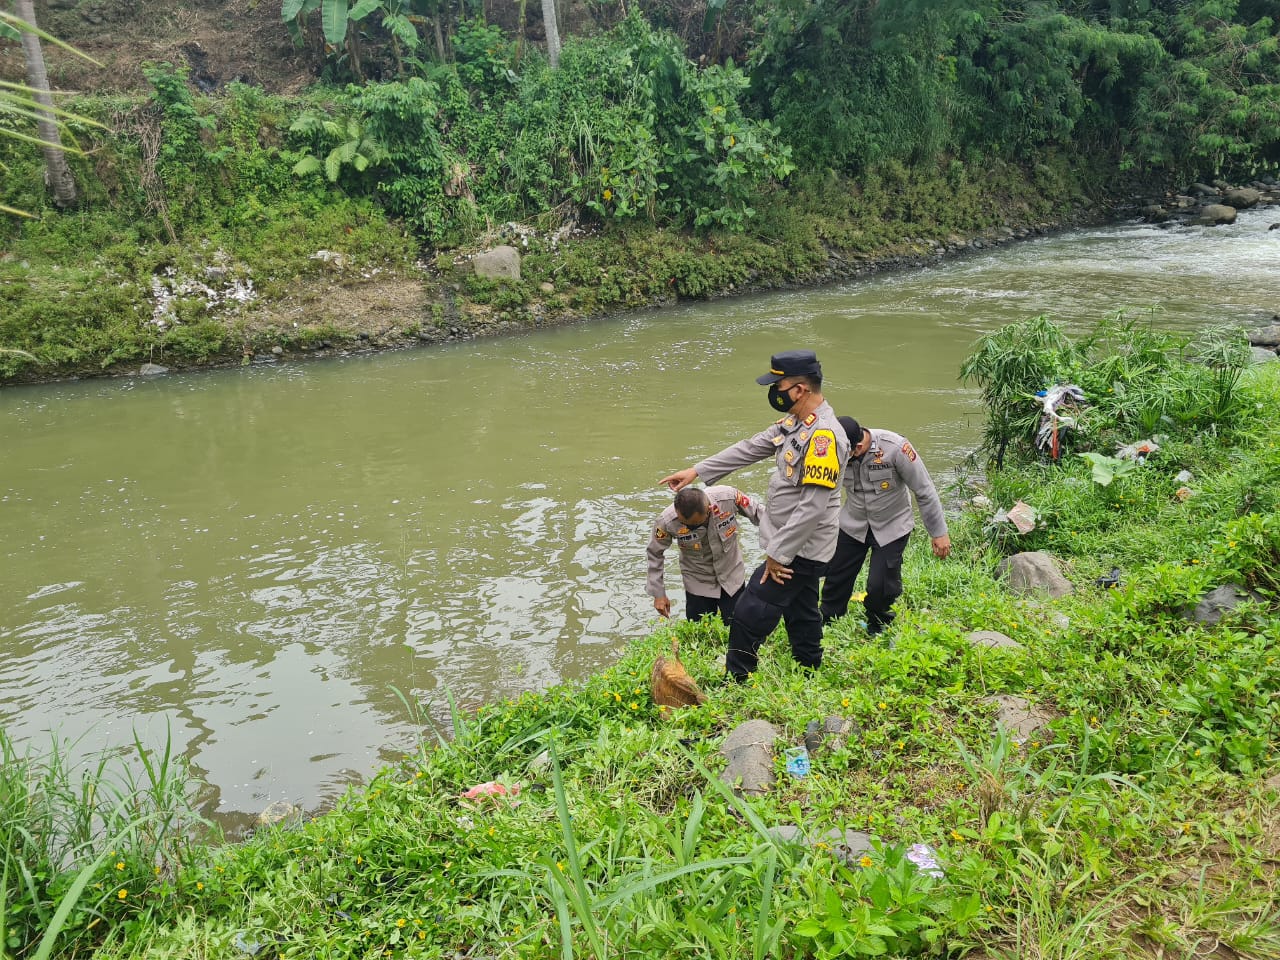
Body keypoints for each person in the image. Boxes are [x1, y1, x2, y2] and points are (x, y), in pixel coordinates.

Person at [660, 350, 848, 681]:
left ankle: (737, 679)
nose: (774, 391)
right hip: (796, 546)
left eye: (779, 385)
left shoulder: (824, 437)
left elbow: (812, 508)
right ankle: (810, 667)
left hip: (799, 548)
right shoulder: (795, 424)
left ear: (800, 389)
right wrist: (697, 471)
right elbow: (750, 448)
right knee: (801, 608)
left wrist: (778, 556)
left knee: (749, 612)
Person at [820, 416, 951, 636]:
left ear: (858, 446)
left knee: (881, 585)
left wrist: (939, 533)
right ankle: (828, 620)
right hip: (854, 522)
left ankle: (878, 624)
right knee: (836, 576)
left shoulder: (895, 448)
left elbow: (924, 490)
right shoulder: (832, 450)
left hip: (892, 524)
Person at [646, 485, 761, 623]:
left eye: (694, 525)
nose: (689, 528)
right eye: (685, 524)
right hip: (697, 582)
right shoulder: (666, 521)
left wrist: (781, 550)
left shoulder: (728, 497)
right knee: (699, 631)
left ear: (709, 510)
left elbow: (761, 515)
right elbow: (654, 553)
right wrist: (659, 594)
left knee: (740, 625)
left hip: (732, 576)